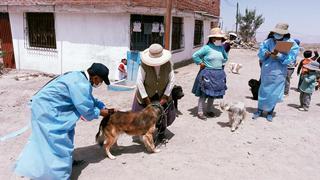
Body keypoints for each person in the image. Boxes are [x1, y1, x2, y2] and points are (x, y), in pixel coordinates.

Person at [14, 63, 114, 179]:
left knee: (67, 134)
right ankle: (59, 175)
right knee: (57, 142)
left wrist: (102, 106)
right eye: (100, 81)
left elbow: (89, 98)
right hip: (46, 110)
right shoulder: (79, 83)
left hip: (50, 107)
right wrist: (102, 112)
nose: (99, 83)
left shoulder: (80, 77)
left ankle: (67, 162)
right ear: (95, 77)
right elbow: (86, 110)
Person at [252, 23, 299, 122]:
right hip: (267, 70)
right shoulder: (268, 42)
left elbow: (291, 59)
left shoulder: (291, 43)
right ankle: (259, 110)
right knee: (263, 90)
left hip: (279, 72)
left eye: (279, 33)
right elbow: (260, 54)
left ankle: (270, 112)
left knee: (274, 93)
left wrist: (279, 56)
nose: (277, 35)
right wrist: (265, 53)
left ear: (285, 34)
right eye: (276, 33)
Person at [131, 43, 175, 141]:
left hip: (162, 93)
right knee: (143, 115)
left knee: (163, 114)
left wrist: (165, 96)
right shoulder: (143, 65)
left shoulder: (168, 64)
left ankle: (161, 133)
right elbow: (139, 82)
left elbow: (172, 81)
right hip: (146, 94)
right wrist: (147, 100)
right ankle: (144, 133)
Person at [192, 27, 228, 120]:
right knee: (203, 93)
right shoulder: (206, 48)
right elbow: (195, 55)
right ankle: (200, 112)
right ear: (213, 39)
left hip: (218, 74)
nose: (220, 40)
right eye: (218, 38)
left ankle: (209, 110)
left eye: (221, 38)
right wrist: (200, 62)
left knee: (213, 94)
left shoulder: (221, 48)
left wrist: (221, 63)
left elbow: (225, 58)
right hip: (207, 73)